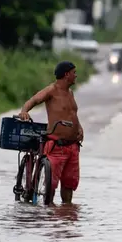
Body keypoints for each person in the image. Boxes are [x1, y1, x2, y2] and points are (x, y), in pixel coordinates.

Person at [18, 61, 84, 204]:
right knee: (51, 185)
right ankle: (50, 215)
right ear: (67, 75)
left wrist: (79, 128)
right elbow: (34, 100)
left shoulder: (70, 93)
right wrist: (24, 111)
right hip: (56, 146)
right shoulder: (51, 90)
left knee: (69, 184)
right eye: (74, 72)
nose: (76, 75)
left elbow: (72, 114)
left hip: (72, 146)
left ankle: (66, 215)